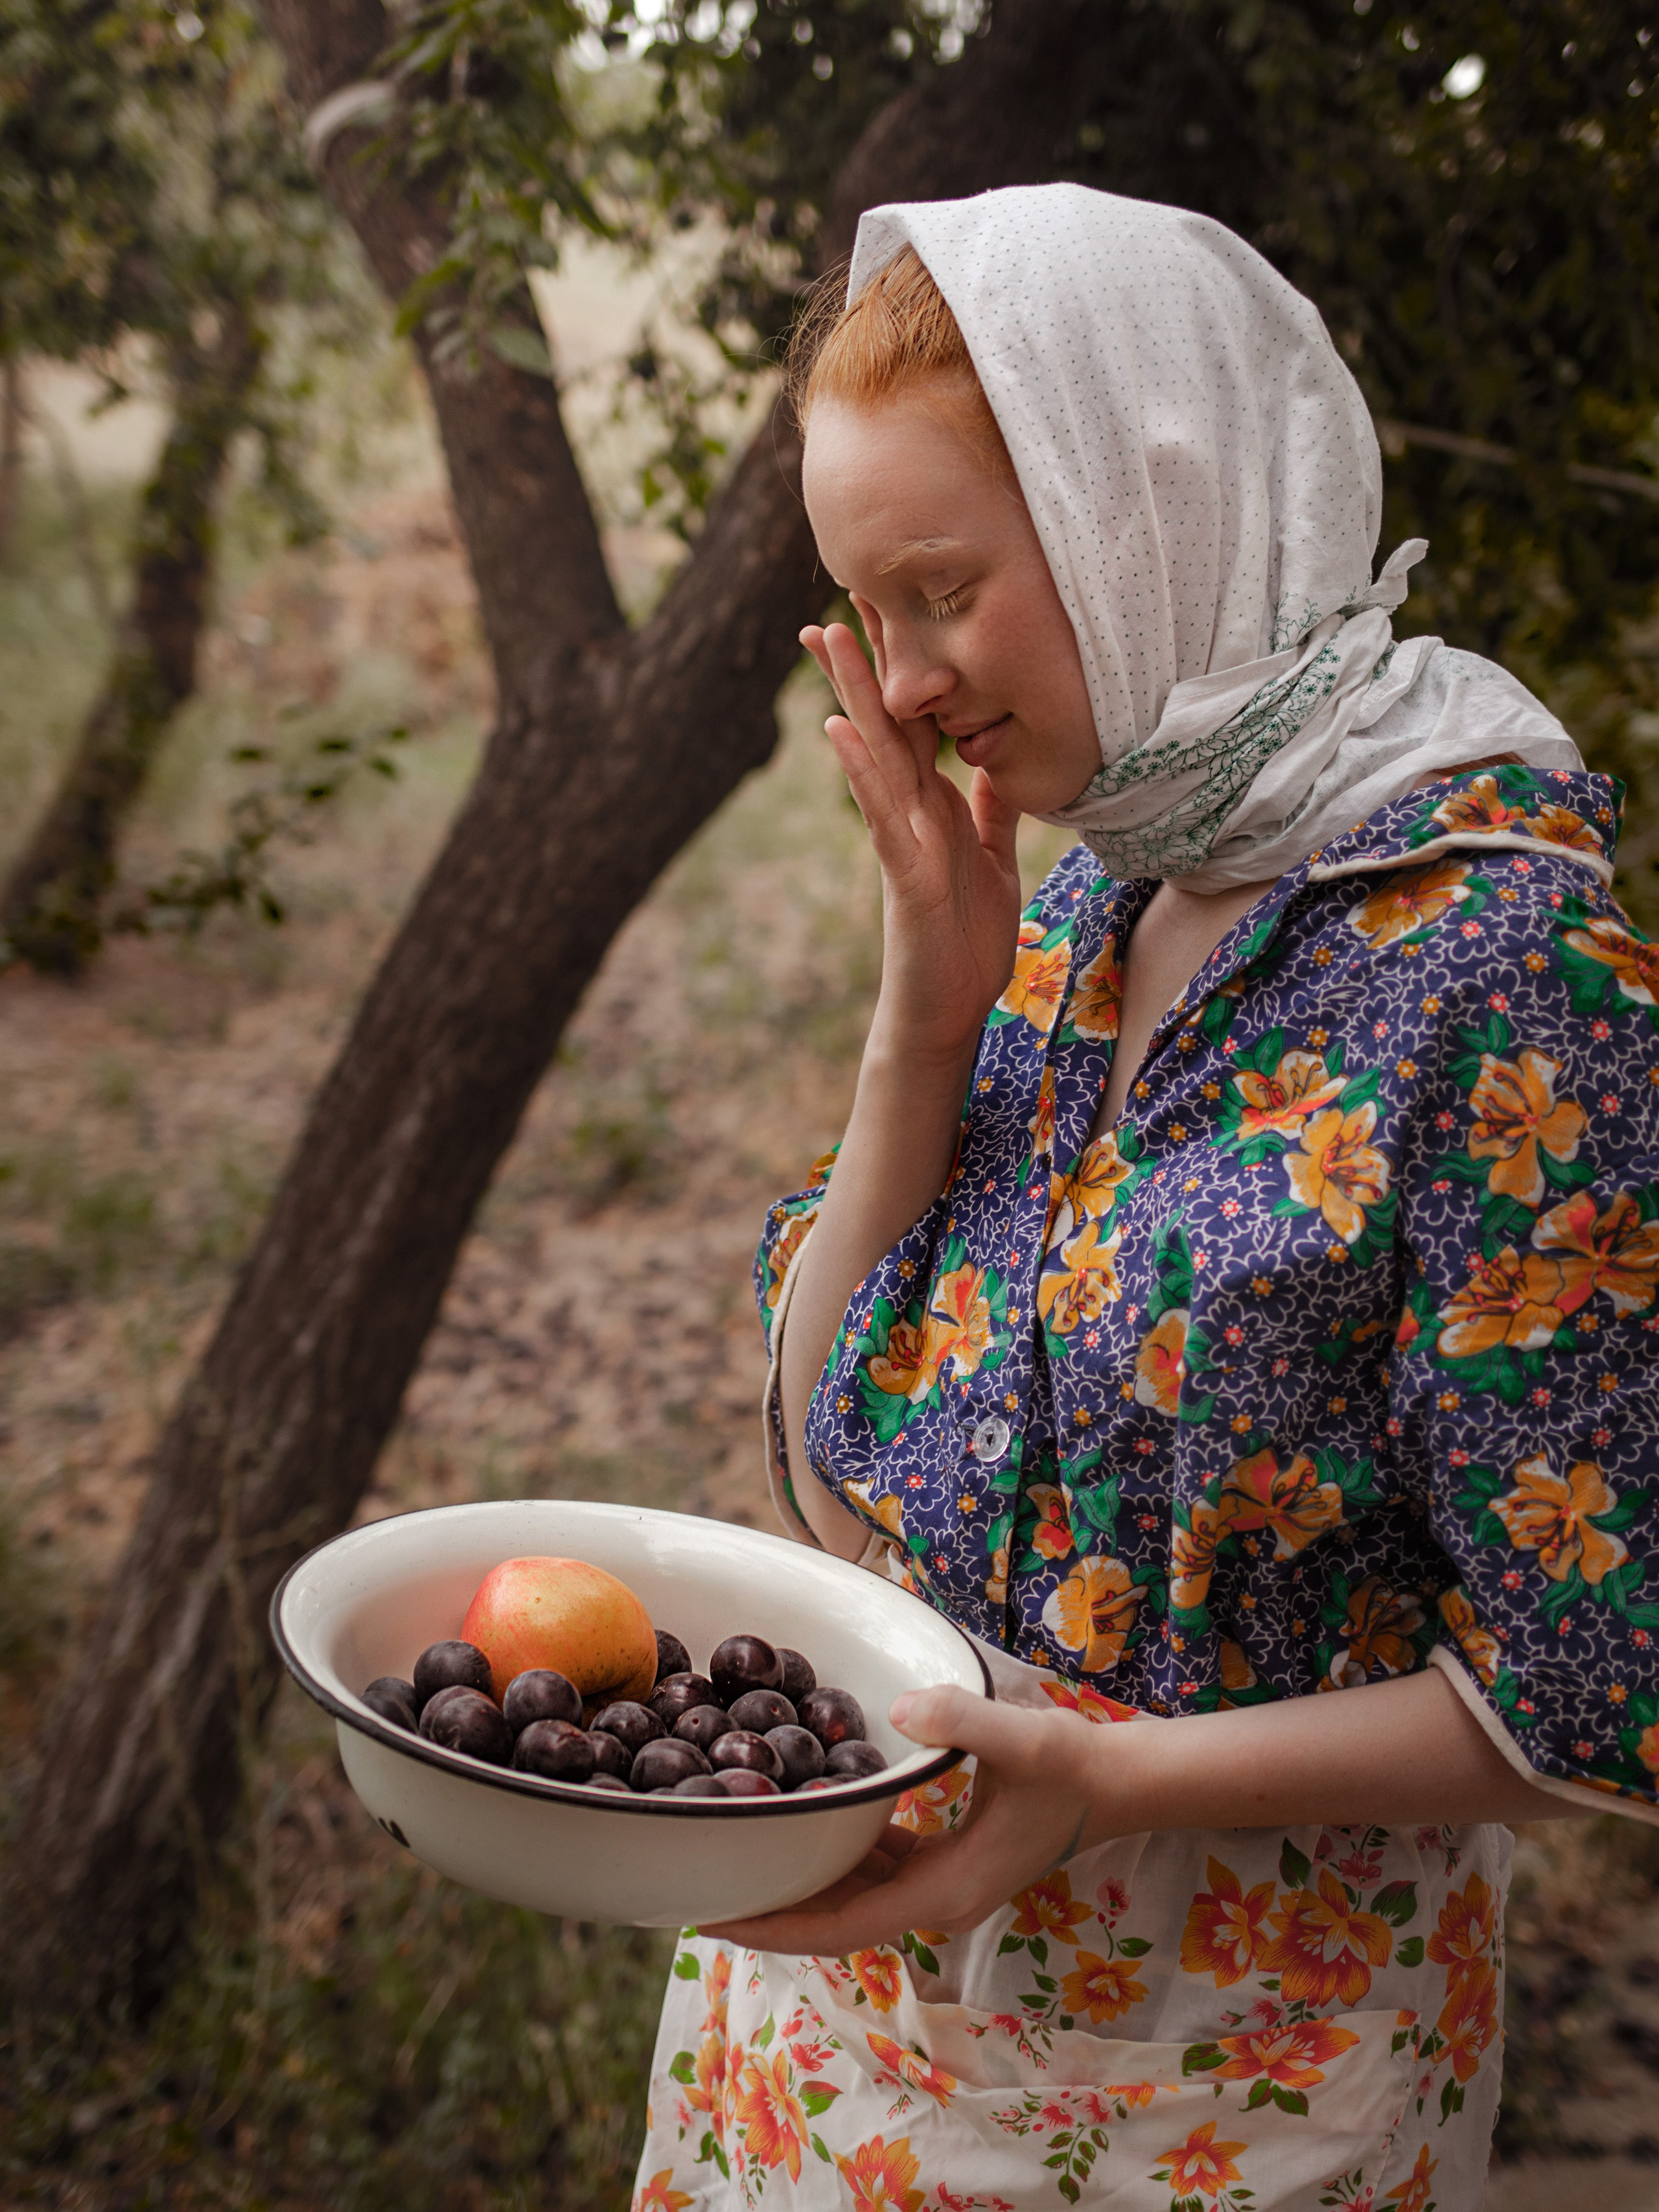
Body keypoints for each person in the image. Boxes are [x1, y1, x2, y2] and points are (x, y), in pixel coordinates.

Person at [631, 185, 1659, 2212]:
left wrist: (1113, 1783)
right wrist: (918, 1029)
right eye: (867, 612)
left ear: (1148, 500)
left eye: (942, 589)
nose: (905, 687)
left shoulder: (1503, 976)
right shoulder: (1076, 894)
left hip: (1235, 2090)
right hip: (833, 2060)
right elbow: (828, 1477)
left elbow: (1593, 1683)